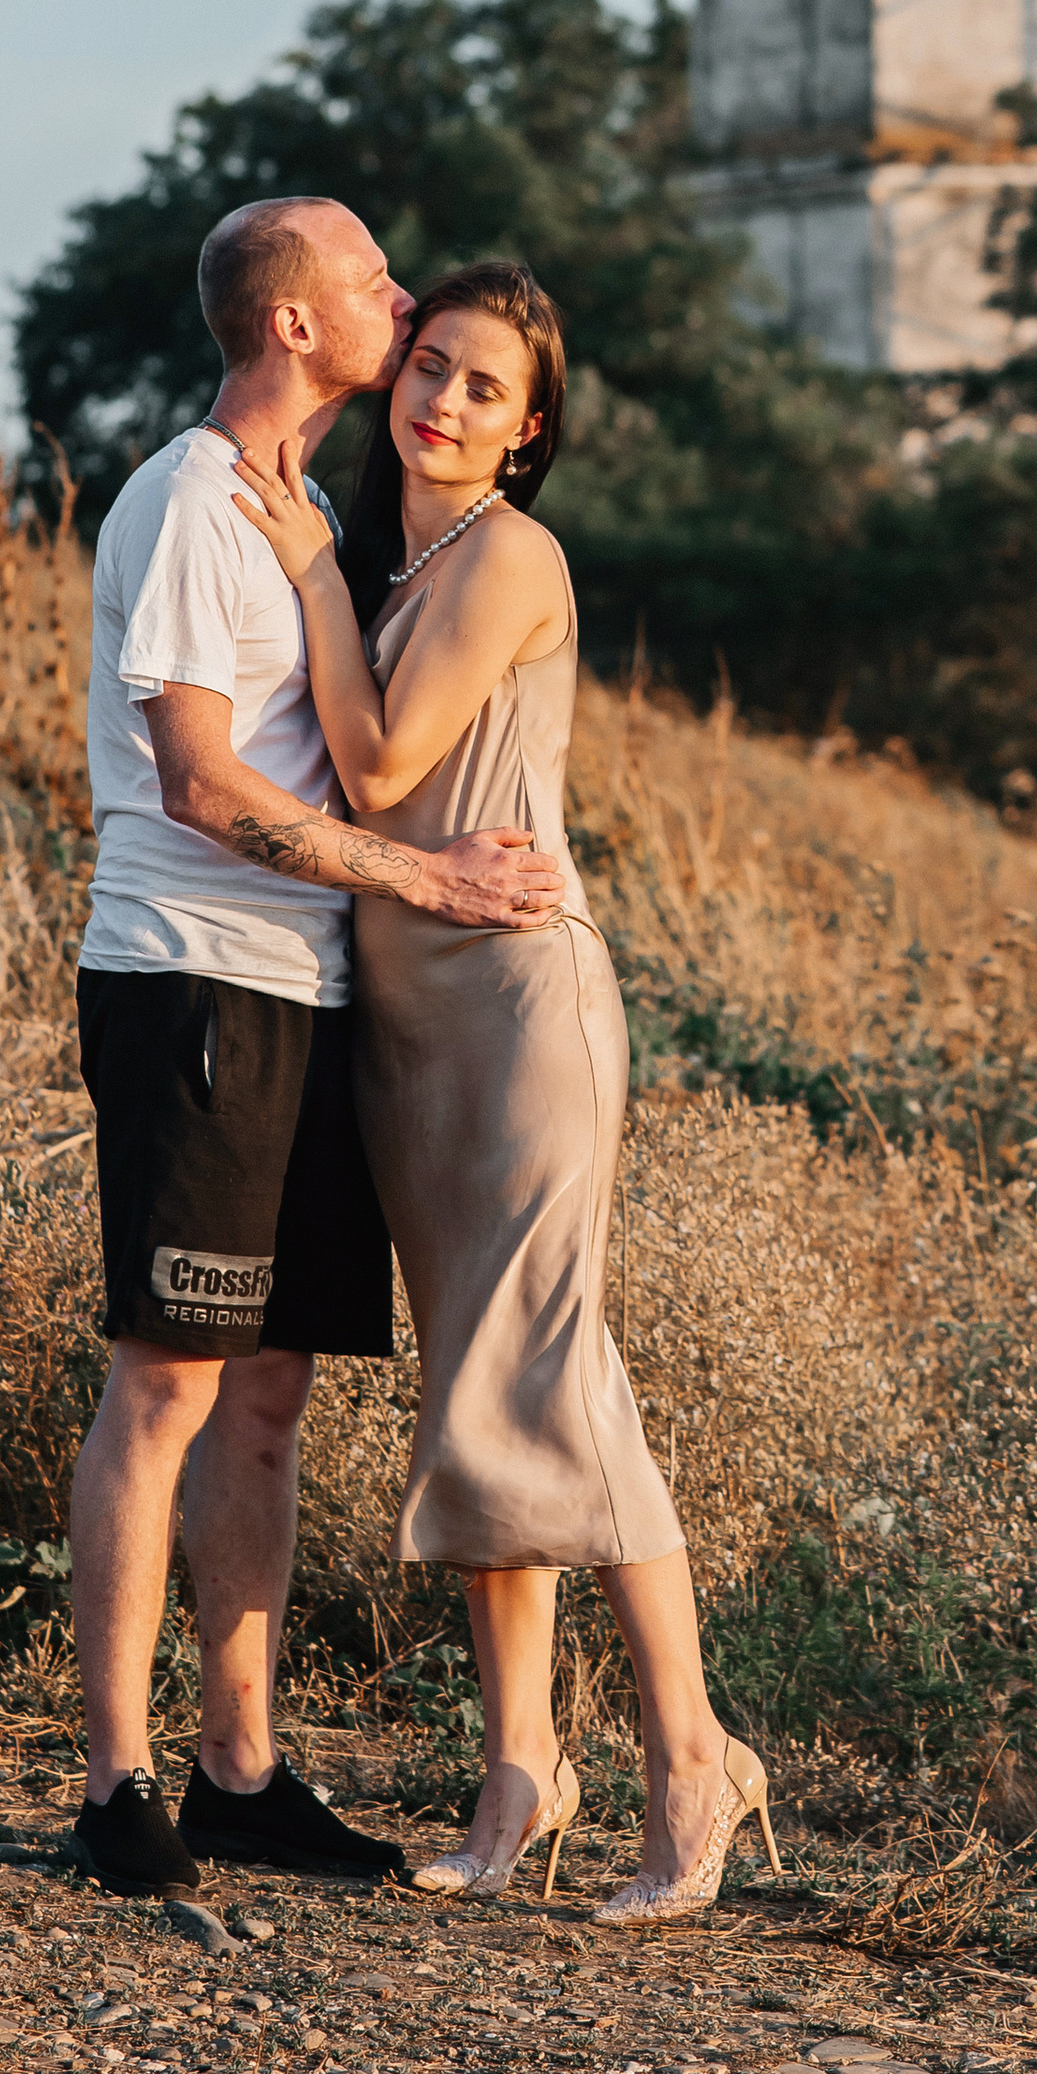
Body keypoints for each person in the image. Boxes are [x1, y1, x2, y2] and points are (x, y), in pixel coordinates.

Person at [228, 259, 779, 1927]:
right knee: (480, 1381)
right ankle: (520, 1770)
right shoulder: (414, 557)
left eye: (486, 389)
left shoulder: (505, 553)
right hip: (410, 1031)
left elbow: (385, 762)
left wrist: (315, 563)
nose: (445, 401)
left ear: (530, 429)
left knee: (548, 1365)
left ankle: (693, 1754)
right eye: (433, 367)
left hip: (523, 1013)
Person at [68, 198, 564, 1899]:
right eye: (369, 282)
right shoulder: (198, 502)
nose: (399, 296)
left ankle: (242, 1771)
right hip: (192, 975)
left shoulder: (316, 519)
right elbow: (202, 781)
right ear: (293, 326)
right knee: (168, 1380)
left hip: (304, 989)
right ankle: (117, 1789)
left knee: (269, 1397)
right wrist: (423, 874)